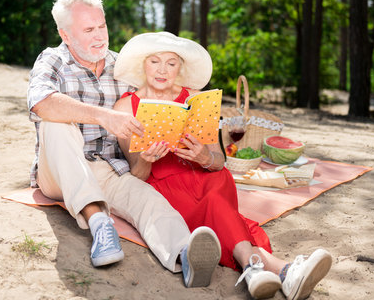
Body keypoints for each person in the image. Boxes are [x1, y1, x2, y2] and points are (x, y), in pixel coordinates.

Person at [113, 31, 333, 300]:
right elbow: (136, 174)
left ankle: (258, 271)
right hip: (164, 187)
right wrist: (146, 159)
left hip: (206, 177)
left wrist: (204, 158)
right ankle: (279, 271)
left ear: (180, 68)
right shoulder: (125, 107)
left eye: (171, 63)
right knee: (223, 212)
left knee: (216, 185)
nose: (162, 70)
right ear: (142, 64)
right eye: (155, 61)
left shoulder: (196, 99)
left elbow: (218, 162)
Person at [27, 0, 221, 288]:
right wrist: (105, 116)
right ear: (65, 35)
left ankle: (185, 255)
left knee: (149, 201)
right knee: (55, 121)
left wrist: (191, 112)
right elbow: (40, 103)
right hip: (58, 170)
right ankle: (99, 223)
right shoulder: (53, 60)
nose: (99, 36)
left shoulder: (121, 69)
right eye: (88, 30)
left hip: (110, 169)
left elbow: (160, 91)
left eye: (102, 26)